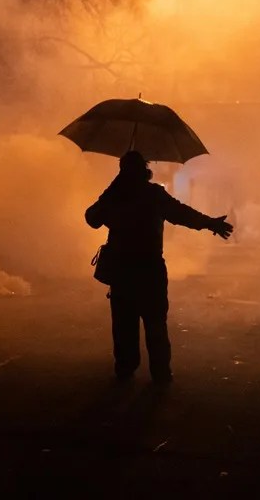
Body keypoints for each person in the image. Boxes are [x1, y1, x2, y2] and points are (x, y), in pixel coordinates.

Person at [85, 151, 233, 383]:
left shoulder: (116, 195)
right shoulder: (153, 195)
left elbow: (92, 218)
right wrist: (210, 223)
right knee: (155, 324)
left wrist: (111, 190)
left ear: (122, 171)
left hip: (123, 271)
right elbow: (182, 214)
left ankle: (125, 368)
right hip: (149, 269)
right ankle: (161, 373)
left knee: (124, 324)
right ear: (144, 170)